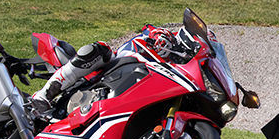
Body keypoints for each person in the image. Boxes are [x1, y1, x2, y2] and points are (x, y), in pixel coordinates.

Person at [30, 24, 198, 116]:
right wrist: (160, 38)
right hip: (111, 70)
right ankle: (43, 96)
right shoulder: (165, 40)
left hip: (128, 99)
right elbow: (150, 30)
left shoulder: (181, 73)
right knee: (99, 50)